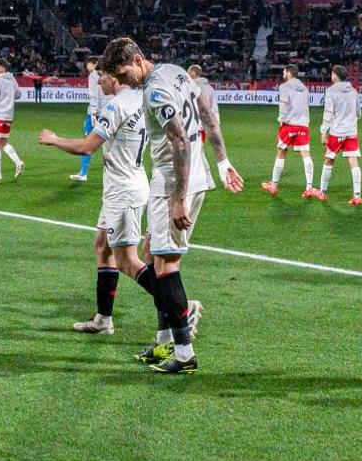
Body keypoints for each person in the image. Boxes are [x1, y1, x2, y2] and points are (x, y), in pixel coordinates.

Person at [99, 36, 244, 374]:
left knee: (165, 269)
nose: (123, 82)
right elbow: (206, 107)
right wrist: (222, 161)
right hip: (192, 177)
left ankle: (183, 354)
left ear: (137, 60)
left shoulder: (153, 91)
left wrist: (178, 199)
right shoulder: (176, 71)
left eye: (123, 74)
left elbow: (179, 139)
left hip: (173, 182)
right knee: (150, 253)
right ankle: (164, 341)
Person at [39, 69, 202, 336]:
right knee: (102, 247)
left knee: (127, 261)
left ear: (115, 77)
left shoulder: (117, 104)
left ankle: (183, 308)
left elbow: (87, 147)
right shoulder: (141, 99)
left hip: (122, 190)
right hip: (130, 182)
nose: (98, 81)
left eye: (101, 76)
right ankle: (103, 319)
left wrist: (54, 139)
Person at [310, 65, 362, 205]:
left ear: (335, 76)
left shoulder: (331, 91)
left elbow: (328, 113)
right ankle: (357, 195)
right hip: (351, 132)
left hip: (337, 132)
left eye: (332, 74)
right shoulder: (353, 91)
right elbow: (358, 113)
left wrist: (323, 131)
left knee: (328, 160)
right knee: (353, 161)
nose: (331, 76)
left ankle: (322, 192)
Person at [261, 64, 315, 197]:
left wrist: (281, 120)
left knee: (281, 152)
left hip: (289, 124)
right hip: (303, 124)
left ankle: (273, 186)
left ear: (289, 73)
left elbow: (284, 105)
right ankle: (309, 187)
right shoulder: (304, 88)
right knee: (306, 154)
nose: (283, 74)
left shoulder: (284, 86)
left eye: (284, 72)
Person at [72, 58, 103, 182]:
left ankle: (83, 173)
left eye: (89, 65)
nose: (88, 68)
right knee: (110, 145)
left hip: (95, 114)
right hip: (109, 113)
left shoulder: (94, 75)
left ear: (94, 64)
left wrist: (94, 114)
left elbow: (93, 96)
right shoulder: (110, 73)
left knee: (88, 143)